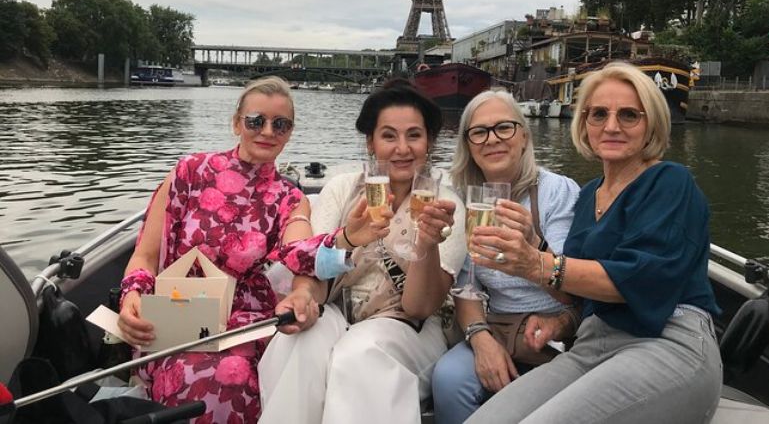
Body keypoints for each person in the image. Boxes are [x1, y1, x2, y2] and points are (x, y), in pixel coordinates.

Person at [465, 62, 722, 424]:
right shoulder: (588, 197)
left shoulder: (669, 181)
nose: (612, 126)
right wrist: (538, 256)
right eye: (598, 114)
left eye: (629, 115)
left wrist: (537, 263)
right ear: (584, 123)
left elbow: (641, 279)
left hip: (669, 342)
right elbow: (577, 296)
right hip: (592, 346)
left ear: (651, 125)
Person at [116, 76, 380, 423]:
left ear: (289, 132)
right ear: (237, 123)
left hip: (246, 324)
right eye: (256, 121)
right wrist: (132, 295)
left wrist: (346, 239)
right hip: (177, 315)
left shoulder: (289, 198)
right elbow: (146, 255)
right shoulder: (189, 173)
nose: (268, 131)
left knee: (232, 373)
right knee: (195, 368)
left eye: (280, 124)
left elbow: (299, 252)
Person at [258, 79, 466, 424]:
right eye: (389, 136)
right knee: (298, 344)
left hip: (411, 327)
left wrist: (427, 244)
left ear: (428, 142)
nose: (402, 148)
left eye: (414, 135)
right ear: (371, 142)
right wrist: (305, 295)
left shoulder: (445, 205)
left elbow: (419, 307)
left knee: (359, 354)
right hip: (341, 311)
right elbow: (314, 270)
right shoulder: (342, 190)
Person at [431, 90, 580, 424]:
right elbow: (466, 287)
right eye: (480, 132)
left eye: (504, 128)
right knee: (448, 379)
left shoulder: (557, 192)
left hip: (562, 329)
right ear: (468, 145)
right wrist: (480, 338)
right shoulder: (467, 200)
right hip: (499, 326)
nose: (492, 139)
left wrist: (534, 250)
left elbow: (578, 292)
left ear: (524, 136)